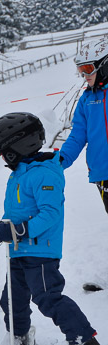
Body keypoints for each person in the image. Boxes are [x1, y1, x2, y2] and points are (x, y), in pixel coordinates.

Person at [0, 112, 101, 345]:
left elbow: (50, 214)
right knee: (11, 301)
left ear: (17, 146)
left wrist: (18, 231)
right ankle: (21, 338)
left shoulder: (44, 173)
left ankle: (84, 341)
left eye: (3, 151)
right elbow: (17, 212)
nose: (2, 157)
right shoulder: (20, 173)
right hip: (18, 252)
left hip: (40, 252)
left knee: (48, 298)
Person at [60, 38, 108, 290]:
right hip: (103, 173)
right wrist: (60, 160)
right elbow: (78, 135)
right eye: (81, 71)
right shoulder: (86, 100)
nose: (84, 76)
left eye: (88, 69)